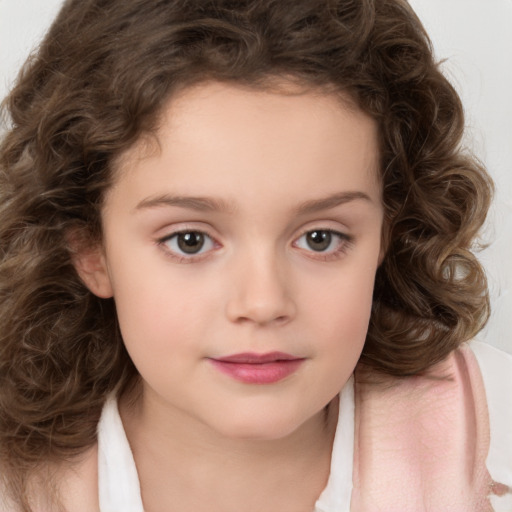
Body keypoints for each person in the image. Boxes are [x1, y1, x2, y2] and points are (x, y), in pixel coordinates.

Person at [0, 0, 511, 510]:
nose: (263, 303)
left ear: (385, 233)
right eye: (190, 241)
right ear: (91, 250)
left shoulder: (493, 427)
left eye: (319, 238)